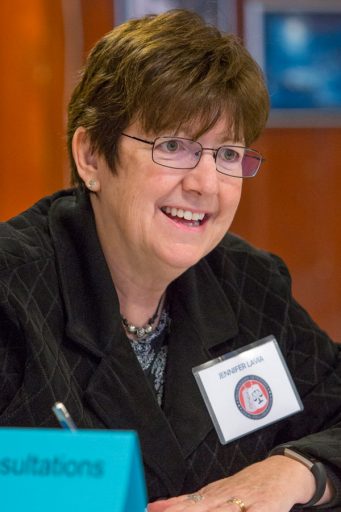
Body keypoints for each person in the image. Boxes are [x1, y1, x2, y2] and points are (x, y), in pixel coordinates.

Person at [0, 8, 340, 512]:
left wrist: (296, 471)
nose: (205, 184)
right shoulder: (12, 287)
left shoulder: (249, 283)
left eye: (227, 154)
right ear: (91, 156)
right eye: (174, 146)